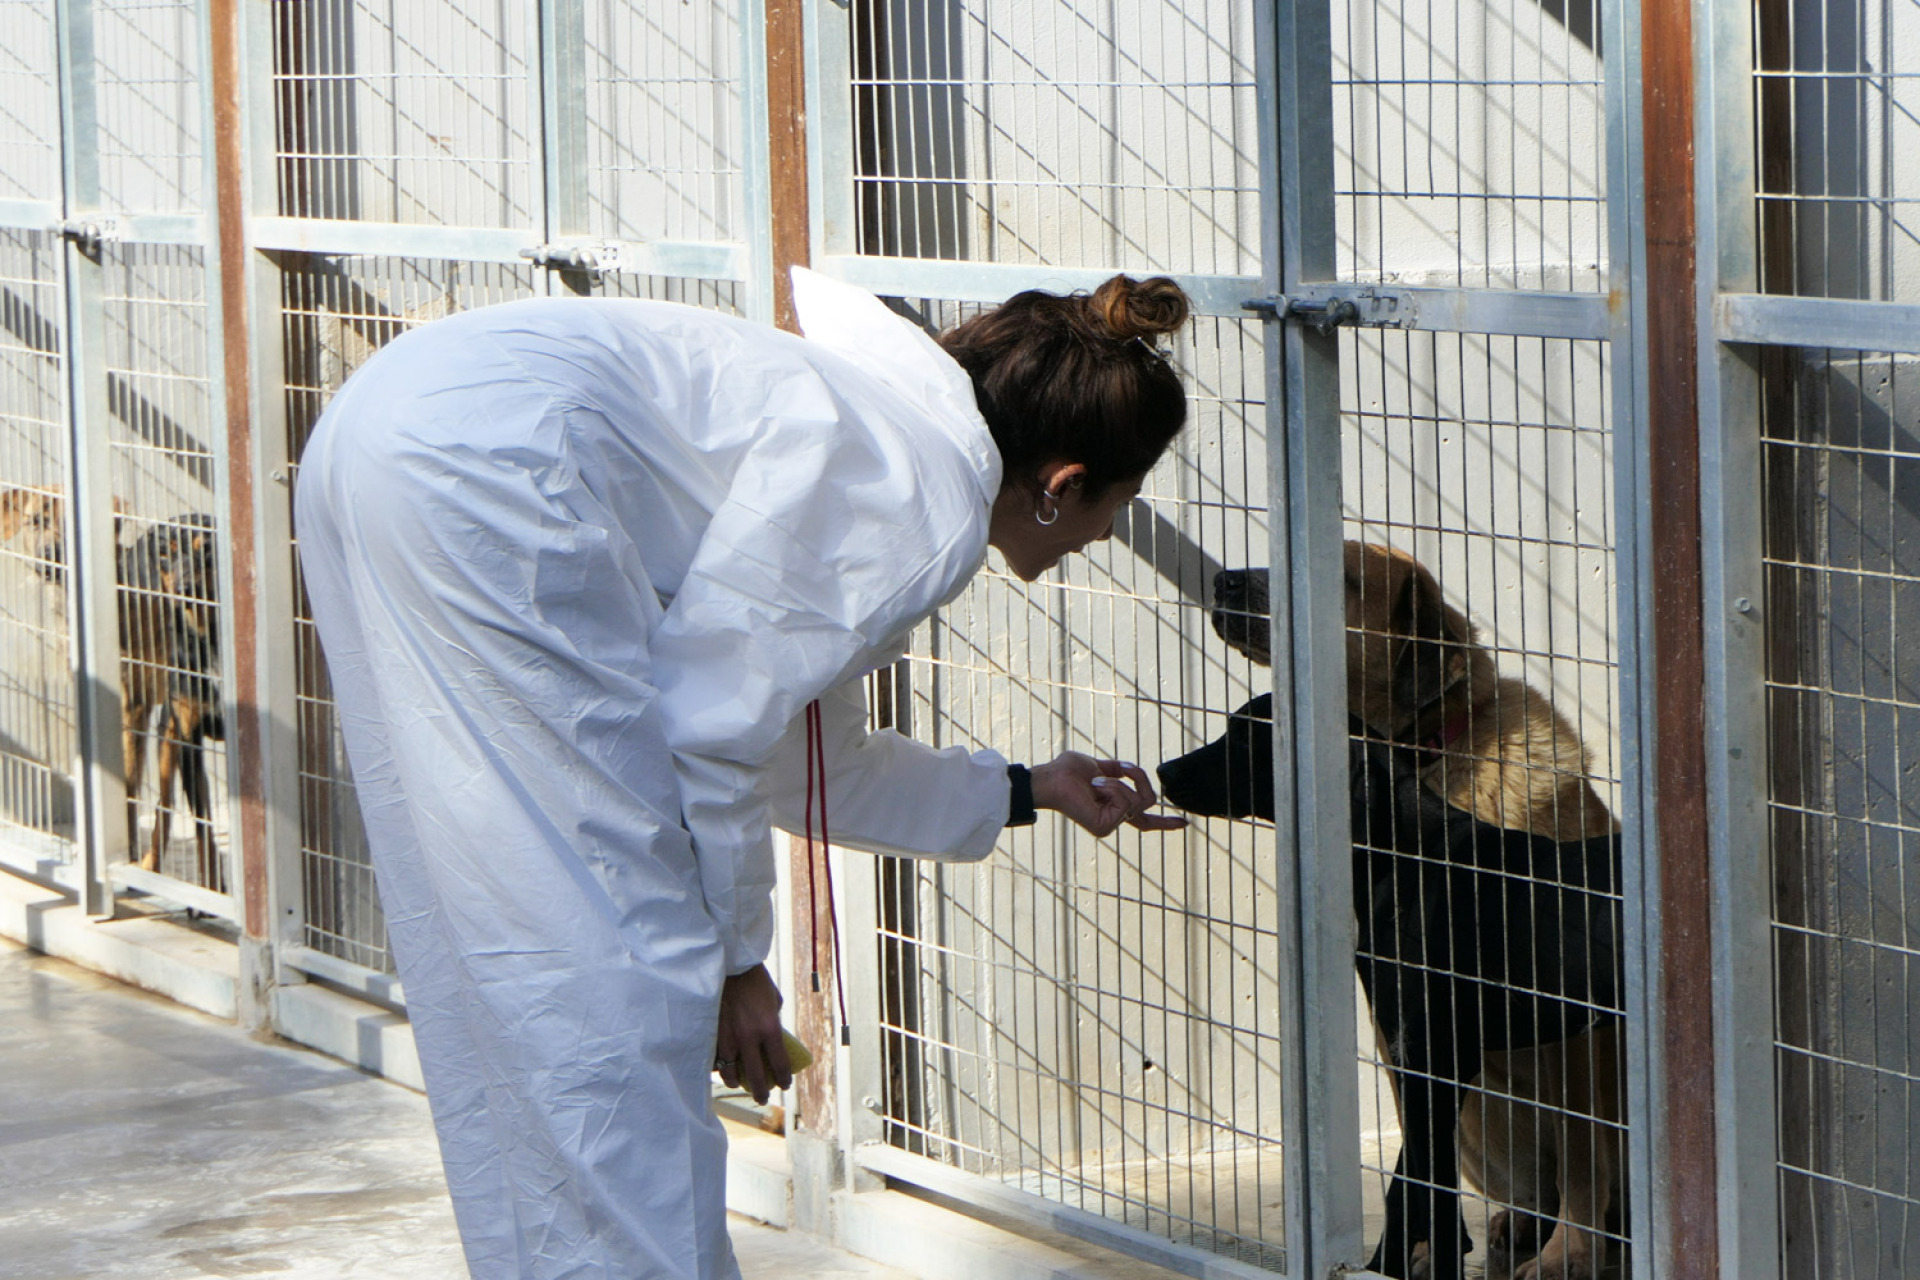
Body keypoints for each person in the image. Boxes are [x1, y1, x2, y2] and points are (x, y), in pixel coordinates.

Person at [295, 266, 1193, 1279]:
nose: (1110, 534)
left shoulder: (880, 429)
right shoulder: (927, 500)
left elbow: (805, 755)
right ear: (1061, 482)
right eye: (1119, 503)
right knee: (615, 998)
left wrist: (1027, 788)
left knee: (509, 960)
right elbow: (713, 733)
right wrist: (732, 966)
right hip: (493, 472)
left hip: (380, 430)